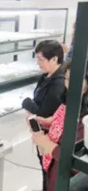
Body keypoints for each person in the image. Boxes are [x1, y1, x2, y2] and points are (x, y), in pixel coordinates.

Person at [30, 62, 88, 191]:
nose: (70, 84)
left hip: (66, 179)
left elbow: (79, 163)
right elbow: (62, 119)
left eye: (77, 79)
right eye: (67, 78)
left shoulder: (86, 119)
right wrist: (48, 122)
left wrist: (48, 145)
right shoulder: (72, 100)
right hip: (52, 168)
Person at [22, 40, 65, 191]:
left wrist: (26, 103)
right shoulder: (47, 75)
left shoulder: (58, 83)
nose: (38, 63)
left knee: (49, 171)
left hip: (50, 138)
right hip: (41, 131)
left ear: (54, 59)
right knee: (45, 170)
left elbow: (43, 112)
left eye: (41, 59)